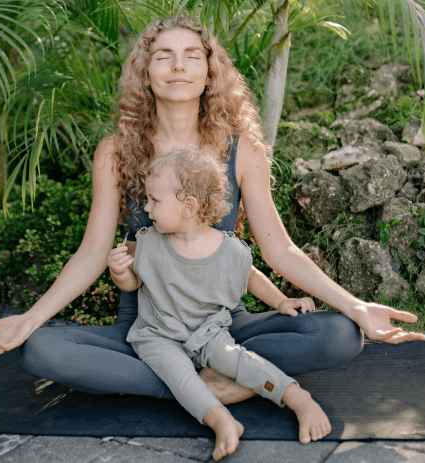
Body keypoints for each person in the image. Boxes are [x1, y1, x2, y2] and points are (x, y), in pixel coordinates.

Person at [0, 14, 425, 421]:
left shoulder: (242, 150)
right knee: (43, 350)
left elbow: (279, 249)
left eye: (192, 55)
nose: (179, 66)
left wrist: (356, 306)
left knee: (340, 336)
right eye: (164, 56)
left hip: (226, 323)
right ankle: (221, 385)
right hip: (147, 327)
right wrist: (30, 318)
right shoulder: (115, 151)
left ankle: (195, 378)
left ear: (210, 72)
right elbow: (91, 253)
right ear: (145, 73)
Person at [107, 146, 329, 459]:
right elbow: (134, 282)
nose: (147, 208)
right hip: (159, 334)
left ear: (188, 206)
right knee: (178, 374)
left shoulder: (228, 250)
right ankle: (221, 419)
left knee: (238, 359)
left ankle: (297, 398)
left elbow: (251, 276)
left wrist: (281, 302)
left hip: (209, 332)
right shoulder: (148, 242)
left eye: (154, 200)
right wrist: (120, 274)